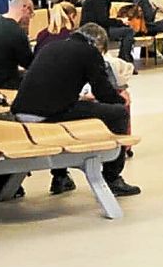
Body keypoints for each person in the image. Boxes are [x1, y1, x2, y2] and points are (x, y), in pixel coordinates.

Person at [11, 23, 141, 197]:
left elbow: (53, 87)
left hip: (21, 112)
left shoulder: (52, 46)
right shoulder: (89, 52)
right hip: (48, 115)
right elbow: (103, 93)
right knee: (118, 114)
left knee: (70, 112)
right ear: (97, 43)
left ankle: (60, 177)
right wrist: (120, 100)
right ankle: (113, 178)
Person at [80, 0, 137, 64]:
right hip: (97, 31)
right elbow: (103, 20)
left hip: (88, 29)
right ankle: (125, 59)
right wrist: (120, 22)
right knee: (129, 31)